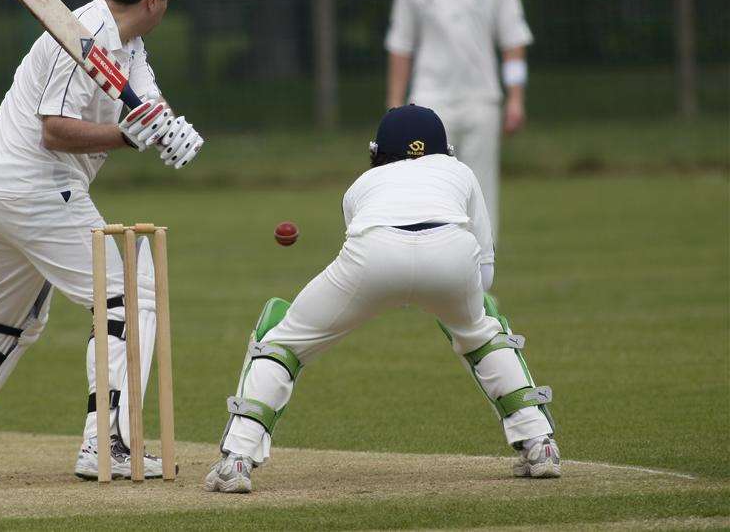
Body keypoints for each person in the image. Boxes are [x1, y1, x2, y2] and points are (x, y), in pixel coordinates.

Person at [0, 0, 203, 480]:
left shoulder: (128, 47)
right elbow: (55, 129)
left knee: (4, 320)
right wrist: (124, 137)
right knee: (130, 295)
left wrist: (168, 130)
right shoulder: (80, 34)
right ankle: (107, 445)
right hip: (35, 184)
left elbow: (145, 105)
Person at [204, 105, 559, 494]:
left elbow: (363, 249)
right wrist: (452, 306)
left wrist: (397, 284)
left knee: (281, 335)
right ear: (445, 148)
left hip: (373, 257)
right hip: (451, 257)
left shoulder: (360, 185)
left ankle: (237, 458)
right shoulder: (462, 173)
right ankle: (539, 443)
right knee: (481, 328)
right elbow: (485, 275)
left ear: (377, 151)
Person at [385, 0, 533, 240]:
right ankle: (430, 257)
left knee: (480, 186)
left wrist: (515, 99)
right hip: (430, 100)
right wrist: (395, 102)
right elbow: (400, 46)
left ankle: (482, 269)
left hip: (482, 97)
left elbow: (513, 42)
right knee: (429, 184)